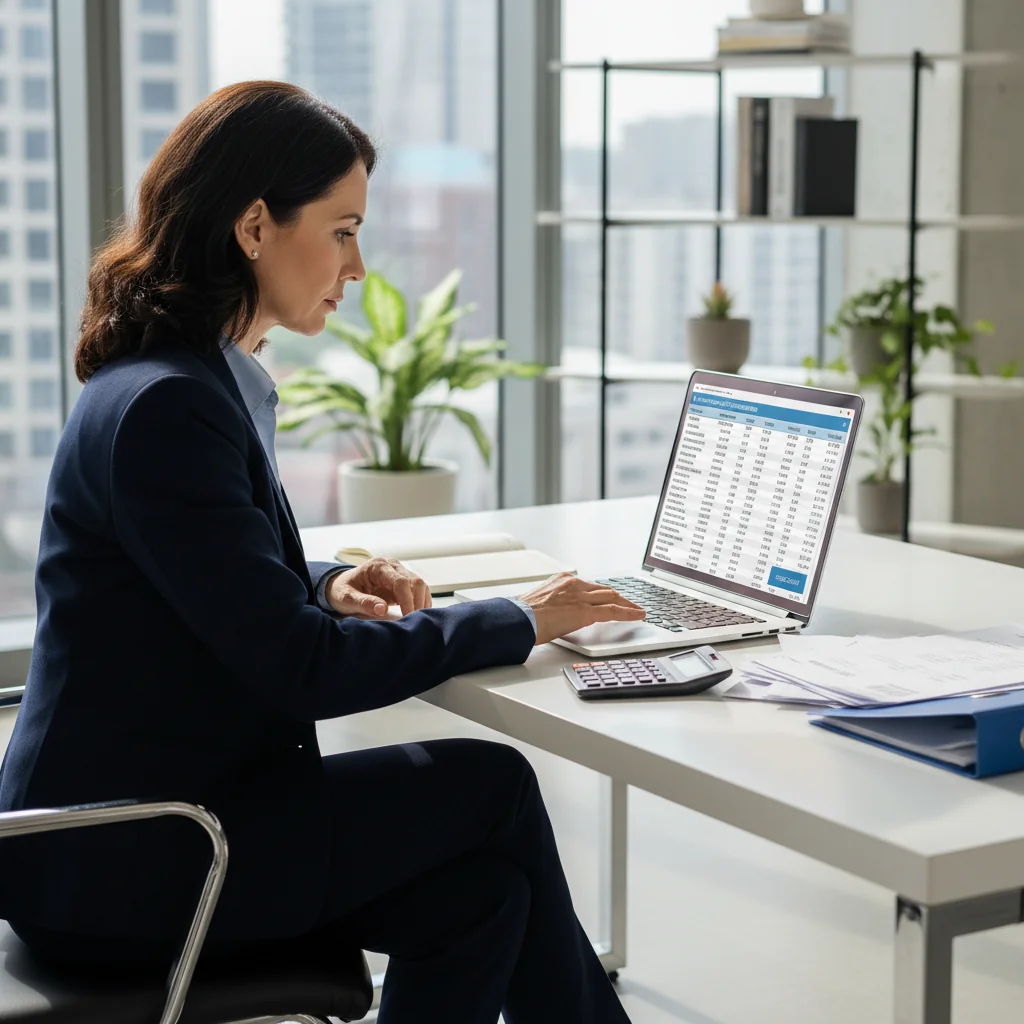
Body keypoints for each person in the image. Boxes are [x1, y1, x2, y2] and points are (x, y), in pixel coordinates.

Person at [0, 81, 644, 1023]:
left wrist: (330, 581)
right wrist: (520, 620)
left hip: (142, 833)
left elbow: (200, 571)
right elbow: (299, 668)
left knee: (481, 900)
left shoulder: (175, 385)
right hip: (132, 861)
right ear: (255, 225)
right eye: (342, 231)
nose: (358, 266)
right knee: (491, 784)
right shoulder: (170, 408)